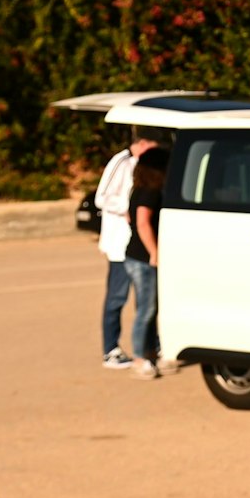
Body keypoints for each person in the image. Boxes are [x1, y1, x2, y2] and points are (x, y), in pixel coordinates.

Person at [94, 135, 159, 369]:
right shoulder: (121, 161)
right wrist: (128, 208)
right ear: (142, 143)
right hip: (120, 244)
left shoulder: (146, 167)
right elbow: (101, 198)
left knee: (147, 299)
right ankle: (111, 348)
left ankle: (152, 344)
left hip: (138, 245)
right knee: (117, 297)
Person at [123, 147, 169, 379]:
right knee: (146, 309)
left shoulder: (138, 190)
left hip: (135, 255)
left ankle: (150, 351)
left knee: (151, 308)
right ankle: (140, 357)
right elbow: (142, 222)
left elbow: (128, 216)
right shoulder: (150, 192)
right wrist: (155, 252)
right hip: (142, 259)